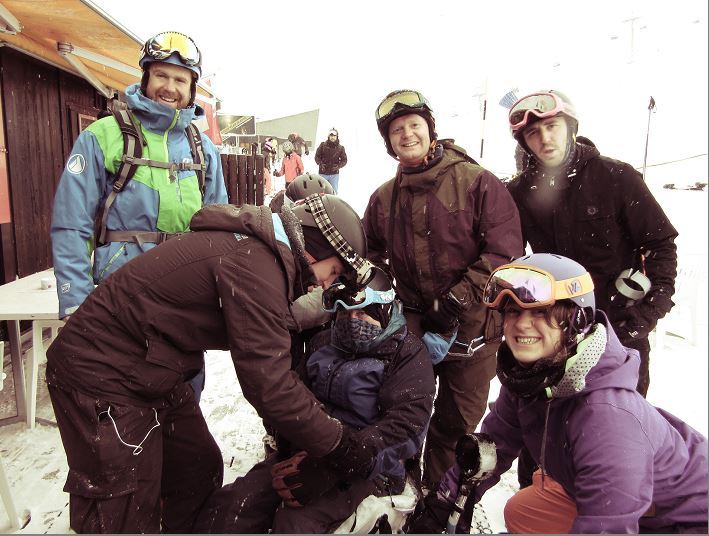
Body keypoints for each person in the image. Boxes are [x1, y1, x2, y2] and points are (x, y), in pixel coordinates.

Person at [45, 194, 374, 533]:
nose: (327, 284)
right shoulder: (254, 265)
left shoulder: (263, 259)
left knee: (195, 468)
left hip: (152, 371)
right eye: (333, 271)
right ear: (313, 244)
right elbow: (268, 383)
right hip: (99, 373)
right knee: (122, 503)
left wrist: (301, 432)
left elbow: (274, 352)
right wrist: (339, 444)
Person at [410, 253, 708, 534]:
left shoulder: (607, 418)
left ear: (577, 320)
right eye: (513, 311)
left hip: (685, 518)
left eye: (541, 312)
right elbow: (493, 447)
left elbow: (607, 527)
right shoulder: (533, 377)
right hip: (623, 500)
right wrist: (443, 502)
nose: (522, 323)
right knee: (521, 511)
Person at [50, 31, 228, 399]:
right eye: (161, 75)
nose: (170, 87)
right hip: (119, 297)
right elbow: (72, 224)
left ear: (193, 89)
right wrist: (75, 300)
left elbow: (219, 229)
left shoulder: (203, 149)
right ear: (145, 78)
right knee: (123, 402)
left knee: (183, 401)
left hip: (184, 299)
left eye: (181, 79)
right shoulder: (103, 136)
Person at [362, 89, 524, 493]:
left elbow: (504, 251)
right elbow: (369, 256)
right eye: (397, 130)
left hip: (473, 334)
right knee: (402, 410)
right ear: (389, 142)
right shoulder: (384, 198)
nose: (407, 134)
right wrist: (385, 298)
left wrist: (457, 300)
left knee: (455, 425)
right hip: (415, 328)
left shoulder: (476, 182)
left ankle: (437, 500)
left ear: (431, 131)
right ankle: (396, 489)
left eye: (415, 125)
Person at [192, 267, 436, 533]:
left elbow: (405, 428)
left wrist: (336, 467)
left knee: (296, 524)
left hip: (371, 468)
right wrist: (290, 438)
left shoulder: (407, 356)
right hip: (310, 450)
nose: (351, 321)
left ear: (384, 312)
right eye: (344, 313)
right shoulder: (324, 343)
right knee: (234, 506)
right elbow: (295, 395)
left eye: (362, 312)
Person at [505, 90, 678, 397]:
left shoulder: (616, 176)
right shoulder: (519, 193)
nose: (544, 138)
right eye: (533, 133)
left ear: (571, 127)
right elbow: (509, 257)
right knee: (553, 427)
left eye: (552, 126)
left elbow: (660, 246)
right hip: (555, 331)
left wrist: (643, 318)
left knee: (617, 423)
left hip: (619, 331)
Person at [314, 128, 348, 193]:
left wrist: (338, 166)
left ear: (337, 137)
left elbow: (344, 160)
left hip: (334, 174)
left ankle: (333, 202)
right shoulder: (322, 145)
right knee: (321, 191)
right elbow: (317, 157)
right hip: (323, 173)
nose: (332, 137)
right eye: (331, 136)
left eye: (334, 136)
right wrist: (320, 164)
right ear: (328, 136)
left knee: (334, 192)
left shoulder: (341, 148)